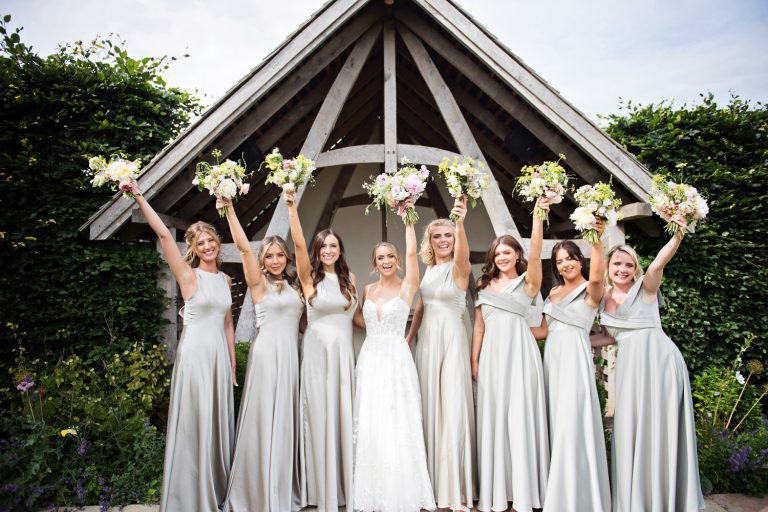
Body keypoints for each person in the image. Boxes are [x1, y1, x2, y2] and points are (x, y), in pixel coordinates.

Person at [123, 182, 236, 512]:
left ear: (217, 242)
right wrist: (139, 196)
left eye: (210, 240)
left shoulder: (226, 281)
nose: (206, 246)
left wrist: (231, 364)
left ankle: (213, 491)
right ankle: (190, 497)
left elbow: (228, 324)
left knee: (215, 423)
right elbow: (163, 236)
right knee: (194, 422)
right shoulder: (189, 276)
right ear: (194, 248)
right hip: (196, 357)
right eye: (200, 243)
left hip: (217, 359)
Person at [595, 215, 704, 511]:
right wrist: (567, 341)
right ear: (609, 266)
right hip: (631, 369)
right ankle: (637, 500)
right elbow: (609, 337)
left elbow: (658, 263)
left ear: (635, 269)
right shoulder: (602, 296)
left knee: (660, 429)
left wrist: (678, 234)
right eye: (617, 264)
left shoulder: (646, 287)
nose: (622, 269)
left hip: (660, 364)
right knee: (631, 427)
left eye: (628, 265)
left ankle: (665, 500)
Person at [218, 199, 303, 512]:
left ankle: (280, 489)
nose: (276, 260)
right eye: (270, 255)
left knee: (284, 421)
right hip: (266, 357)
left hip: (291, 359)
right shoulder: (258, 283)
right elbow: (242, 249)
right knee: (263, 420)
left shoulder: (296, 285)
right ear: (263, 261)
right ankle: (257, 492)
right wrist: (229, 209)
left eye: (280, 254)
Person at [353, 203, 436, 512]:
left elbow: (415, 255)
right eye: (380, 258)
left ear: (399, 260)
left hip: (397, 360)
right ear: (374, 263)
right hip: (371, 357)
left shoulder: (407, 286)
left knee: (398, 419)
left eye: (391, 256)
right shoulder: (367, 288)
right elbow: (360, 319)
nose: (386, 261)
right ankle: (373, 490)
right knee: (373, 420)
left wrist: (408, 218)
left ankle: (403, 490)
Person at [471, 198, 550, 512]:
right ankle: (498, 492)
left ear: (517, 254)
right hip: (491, 357)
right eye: (497, 253)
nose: (502, 257)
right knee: (495, 421)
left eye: (507, 252)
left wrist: (538, 217)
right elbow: (479, 326)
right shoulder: (483, 285)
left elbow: (536, 254)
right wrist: (475, 360)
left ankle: (523, 495)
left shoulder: (528, 283)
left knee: (519, 419)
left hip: (520, 356)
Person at [285, 188, 357, 512]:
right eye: (323, 245)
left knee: (344, 416)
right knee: (319, 416)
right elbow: (298, 245)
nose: (328, 249)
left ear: (340, 250)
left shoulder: (350, 279)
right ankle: (322, 490)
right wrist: (290, 206)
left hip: (344, 355)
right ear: (317, 250)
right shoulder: (308, 278)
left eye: (333, 245)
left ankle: (346, 487)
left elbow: (357, 319)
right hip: (317, 354)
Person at [406, 197, 476, 512]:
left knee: (453, 409)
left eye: (448, 235)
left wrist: (459, 221)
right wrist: (408, 339)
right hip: (427, 343)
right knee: (430, 407)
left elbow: (462, 254)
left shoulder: (460, 268)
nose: (443, 240)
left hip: (452, 340)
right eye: (438, 236)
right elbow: (421, 306)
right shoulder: (429, 271)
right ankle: (430, 485)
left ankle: (456, 488)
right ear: (430, 242)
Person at [542, 225, 611, 512]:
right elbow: (543, 330)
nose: (565, 264)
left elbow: (598, 276)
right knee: (555, 420)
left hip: (574, 361)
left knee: (573, 420)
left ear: (579, 260)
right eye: (559, 261)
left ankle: (574, 496)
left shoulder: (590, 290)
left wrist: (597, 240)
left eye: (570, 257)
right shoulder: (554, 291)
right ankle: (555, 488)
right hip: (552, 362)